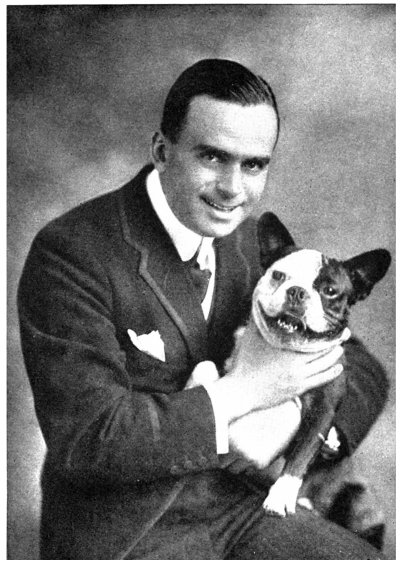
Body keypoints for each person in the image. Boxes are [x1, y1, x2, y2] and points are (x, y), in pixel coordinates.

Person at [18, 59, 389, 559]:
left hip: (246, 505)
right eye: (213, 157)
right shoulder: (72, 252)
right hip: (134, 530)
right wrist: (242, 393)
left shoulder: (252, 243)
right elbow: (91, 438)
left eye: (254, 165)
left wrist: (288, 425)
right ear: (161, 151)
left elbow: (362, 368)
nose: (232, 188)